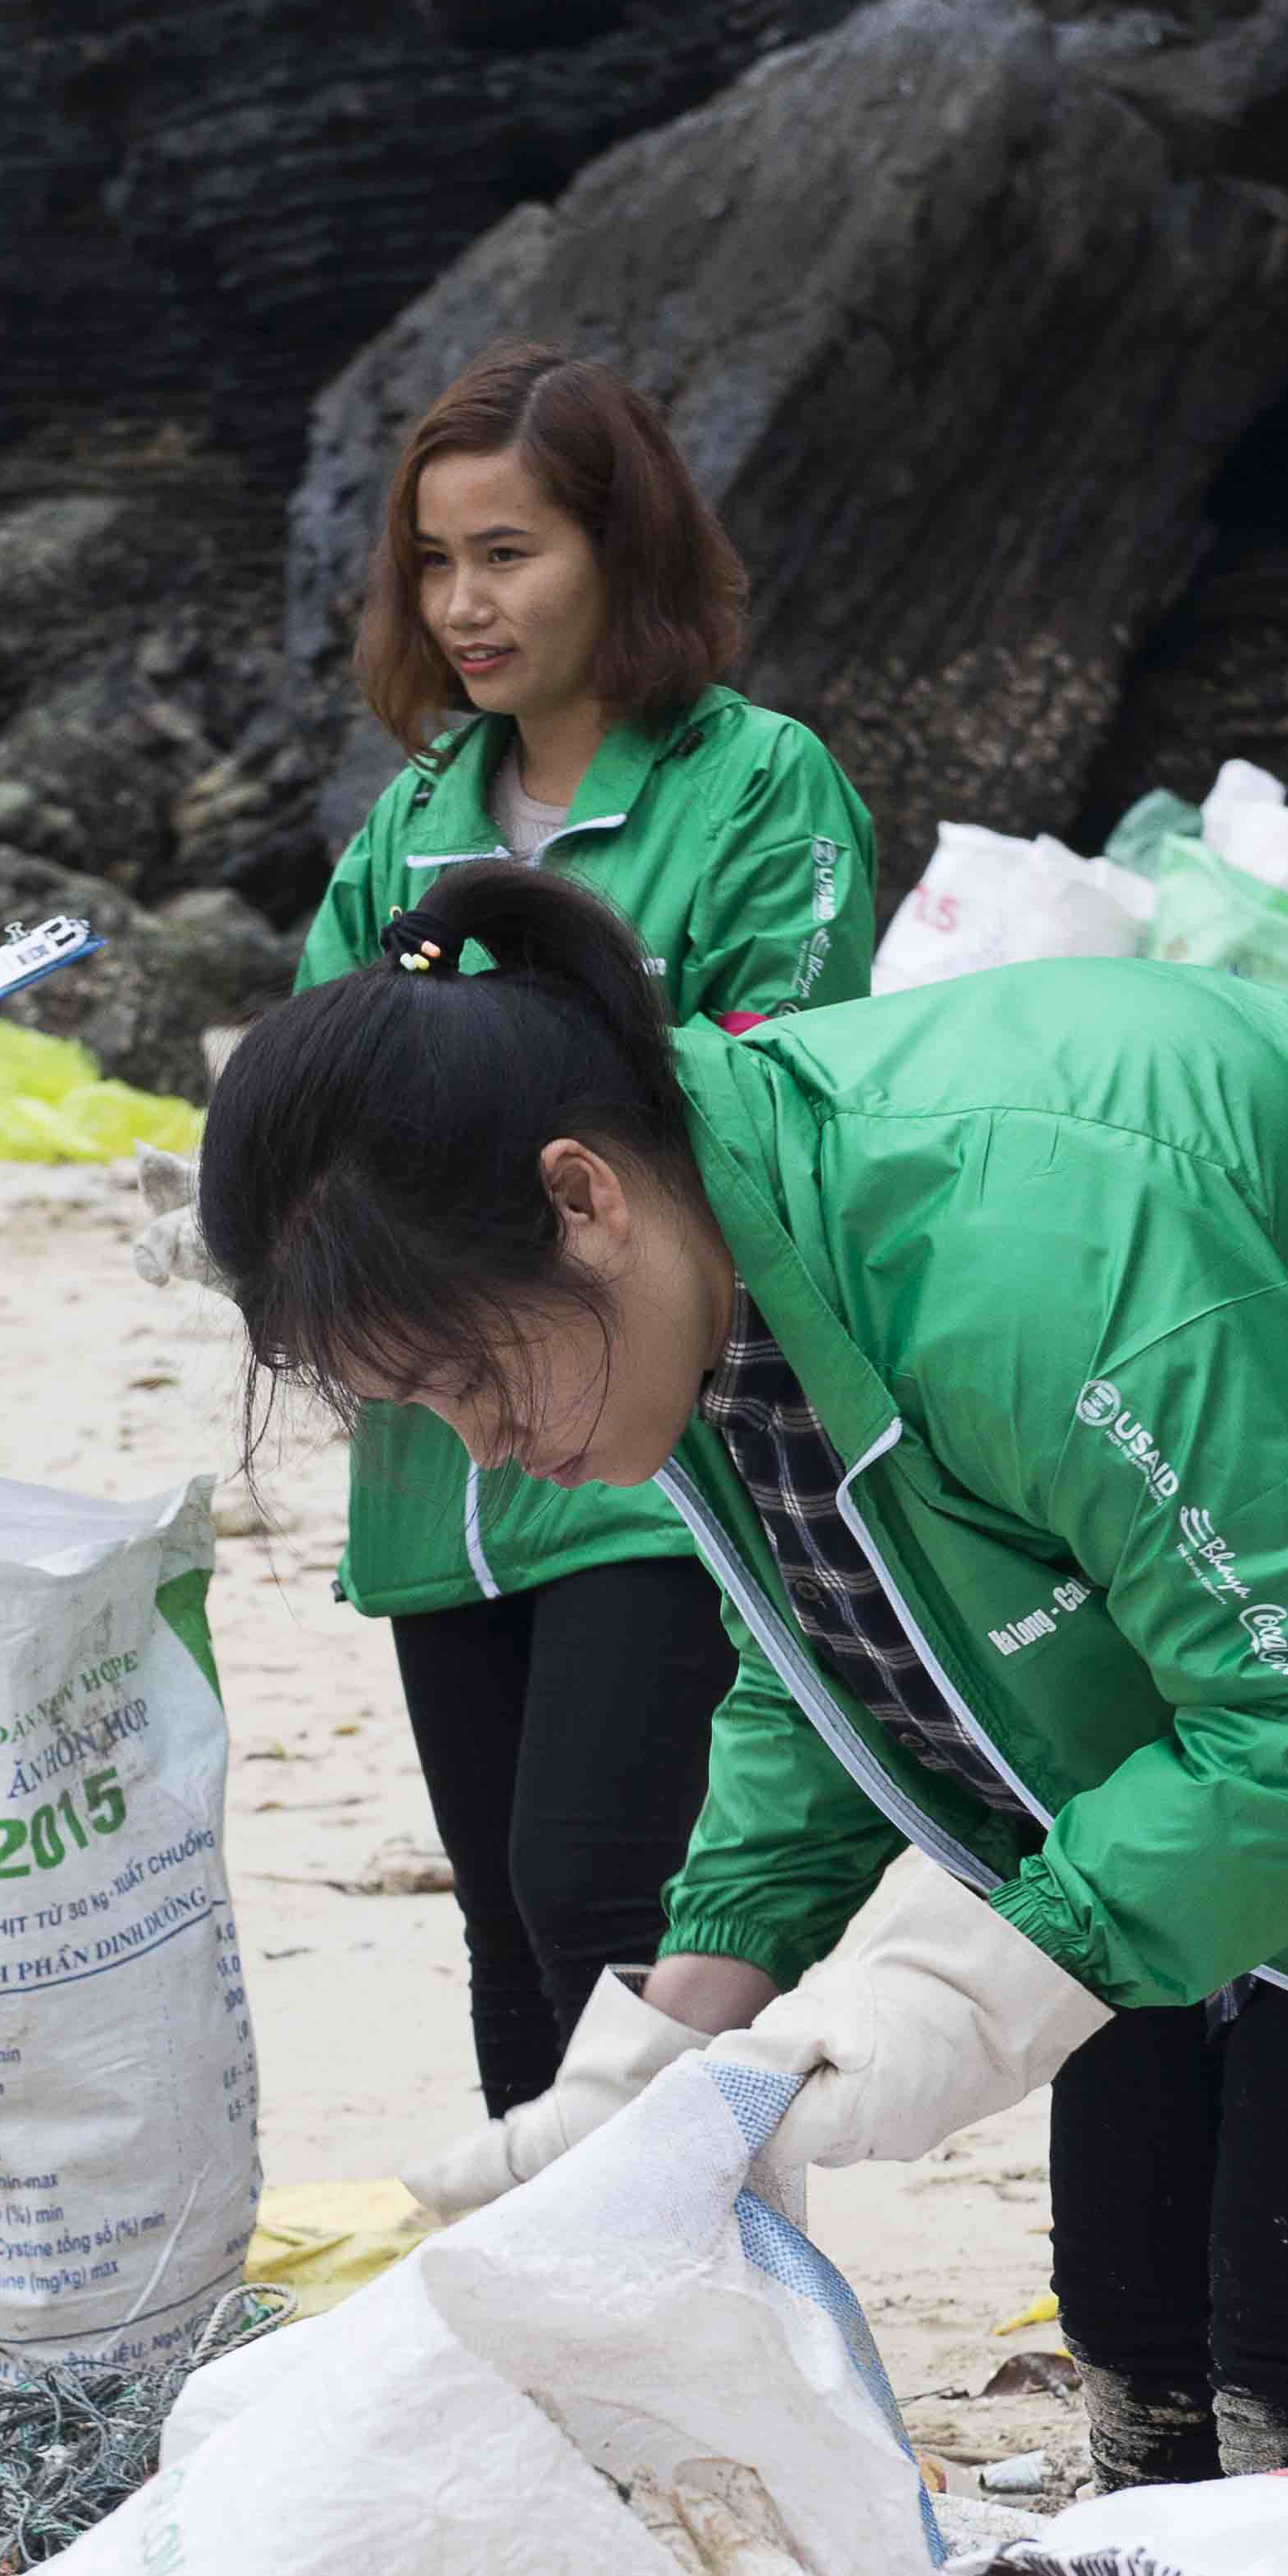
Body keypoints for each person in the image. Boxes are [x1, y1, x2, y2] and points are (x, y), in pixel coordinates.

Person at [205, 864, 1288, 2489]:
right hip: (1246, 1671)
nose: (486, 1448)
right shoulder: (708, 1252)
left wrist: (984, 1975)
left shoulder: (1014, 1248)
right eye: (416, 1412)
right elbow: (827, 1642)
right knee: (1136, 2314)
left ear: (582, 1195)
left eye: (469, 1377)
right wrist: (670, 2028)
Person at [306, 345, 878, 2163]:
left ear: (616, 549)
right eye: (433, 561)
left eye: (509, 552)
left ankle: (705, 2305)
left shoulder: (760, 784)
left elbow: (771, 1091)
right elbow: (329, 1100)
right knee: (498, 1923)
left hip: (661, 1438)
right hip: (436, 1466)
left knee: (603, 1898)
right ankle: (541, 2343)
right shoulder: (406, 823)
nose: (463, 605)